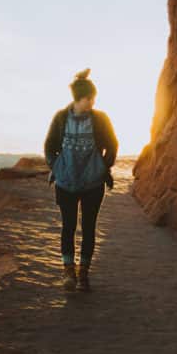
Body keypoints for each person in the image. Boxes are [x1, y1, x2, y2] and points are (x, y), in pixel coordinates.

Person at [44, 68, 118, 291]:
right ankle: (68, 273)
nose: (93, 103)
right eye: (90, 99)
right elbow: (50, 146)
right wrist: (57, 167)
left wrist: (102, 168)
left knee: (88, 228)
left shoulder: (100, 119)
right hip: (66, 184)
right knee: (68, 227)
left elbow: (112, 145)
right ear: (81, 98)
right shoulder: (60, 118)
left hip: (93, 185)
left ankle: (83, 274)